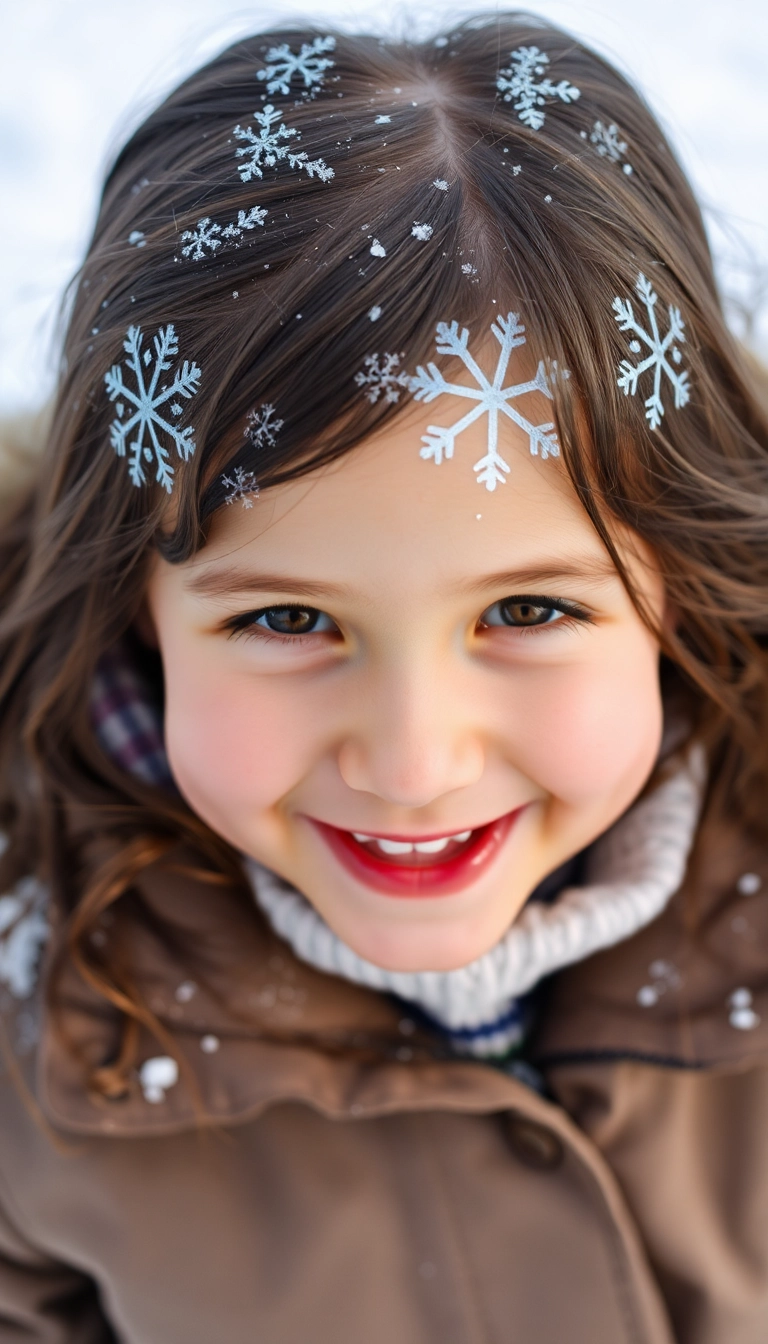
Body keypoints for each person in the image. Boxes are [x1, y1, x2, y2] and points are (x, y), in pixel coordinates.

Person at [0, 12, 766, 1342]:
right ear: (136, 601)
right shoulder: (31, 1023)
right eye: (291, 618)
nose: (414, 764)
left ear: (677, 571)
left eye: (527, 609)